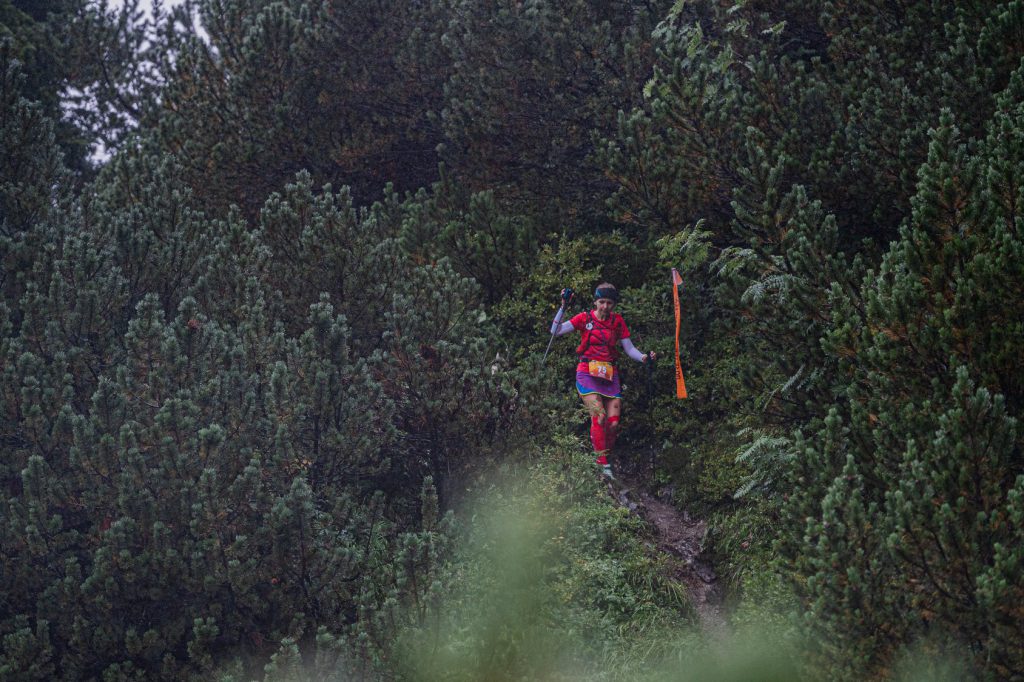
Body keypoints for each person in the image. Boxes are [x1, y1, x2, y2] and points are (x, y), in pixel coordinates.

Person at [549, 283, 656, 478]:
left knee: (613, 423)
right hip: (587, 372)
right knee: (599, 416)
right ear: (595, 302)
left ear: (614, 304)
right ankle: (603, 465)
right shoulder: (584, 318)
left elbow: (629, 348)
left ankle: (603, 455)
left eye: (609, 303)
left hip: (609, 374)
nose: (605, 306)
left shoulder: (617, 322)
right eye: (602, 302)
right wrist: (563, 307)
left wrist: (643, 357)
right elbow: (555, 331)